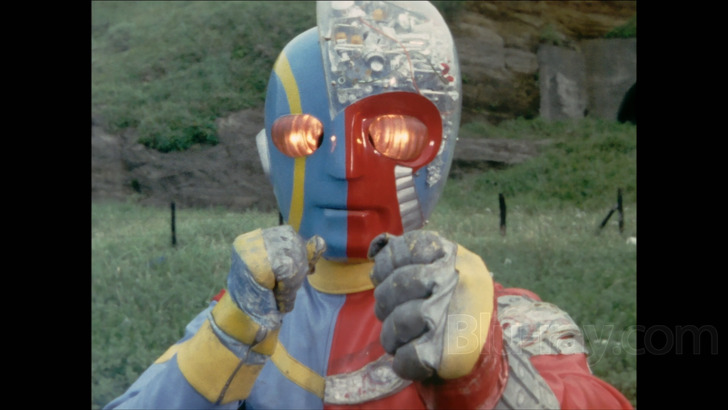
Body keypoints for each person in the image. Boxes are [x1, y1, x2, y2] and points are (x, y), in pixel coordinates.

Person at [104, 2, 634, 409]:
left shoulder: (504, 321)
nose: (345, 167)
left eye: (392, 135)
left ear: (442, 148)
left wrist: (487, 372)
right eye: (305, 136)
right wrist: (221, 347)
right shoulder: (245, 317)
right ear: (268, 152)